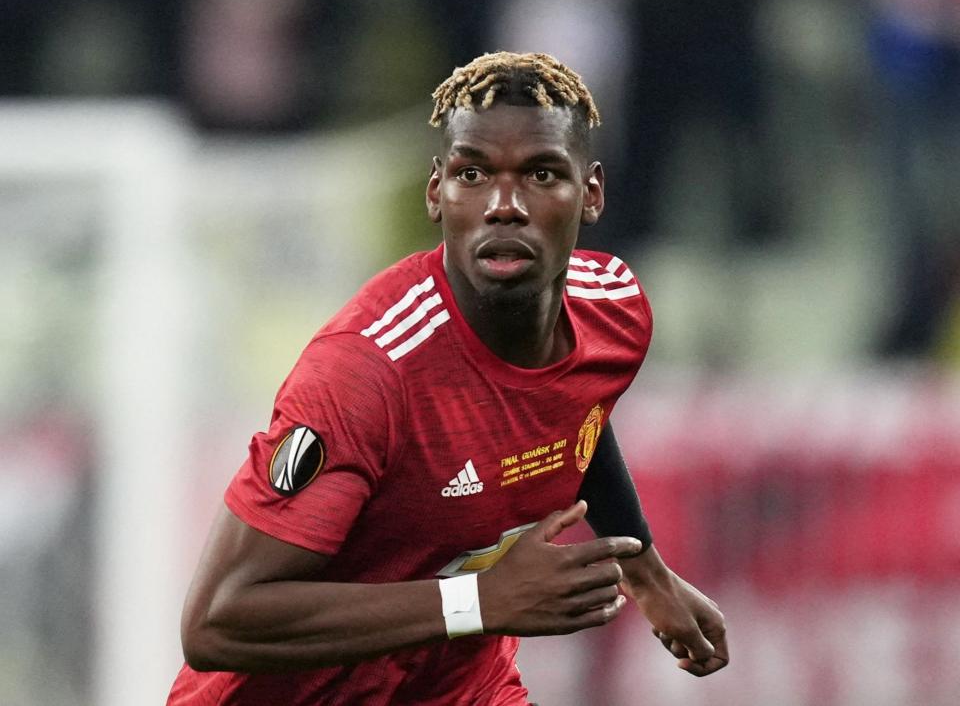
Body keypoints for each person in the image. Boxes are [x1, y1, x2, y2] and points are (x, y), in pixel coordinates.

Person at [167, 51, 728, 706]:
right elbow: (216, 620)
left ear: (593, 192)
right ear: (437, 192)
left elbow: (577, 407)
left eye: (542, 173)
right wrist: (479, 601)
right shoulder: (368, 373)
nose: (505, 205)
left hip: (458, 687)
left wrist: (648, 572)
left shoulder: (615, 310)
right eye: (473, 173)